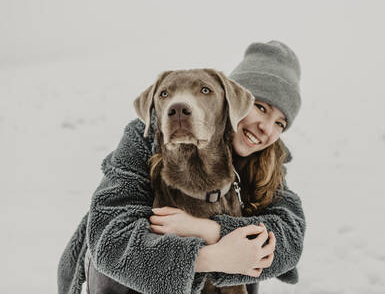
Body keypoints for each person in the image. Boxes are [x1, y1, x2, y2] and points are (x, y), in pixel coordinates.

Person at [57, 40, 306, 294]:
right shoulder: (144, 139)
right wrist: (210, 258)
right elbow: (110, 241)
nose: (266, 127)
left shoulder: (266, 158)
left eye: (280, 123)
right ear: (230, 104)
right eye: (260, 107)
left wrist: (211, 231)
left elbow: (290, 238)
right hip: (121, 280)